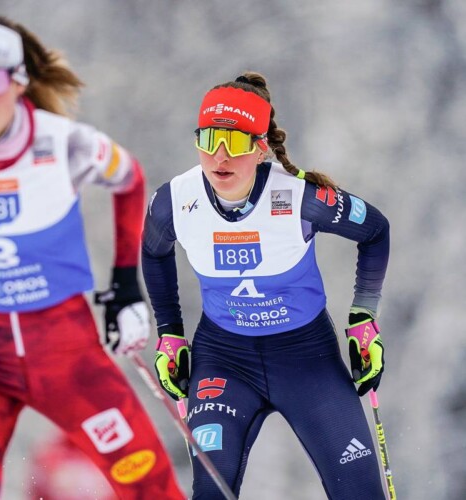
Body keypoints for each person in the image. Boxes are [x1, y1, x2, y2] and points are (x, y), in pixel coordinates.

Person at [0, 10, 185, 499]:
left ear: (19, 80)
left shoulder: (63, 142)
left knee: (149, 484)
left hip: (64, 349)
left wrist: (126, 286)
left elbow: (130, 179)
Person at [143, 71, 390, 499]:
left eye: (235, 143)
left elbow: (374, 231)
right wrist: (169, 334)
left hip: (307, 360)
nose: (219, 157)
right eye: (208, 140)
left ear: (260, 148)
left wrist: (363, 317)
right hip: (223, 361)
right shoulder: (175, 200)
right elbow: (153, 252)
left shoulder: (300, 197)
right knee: (211, 490)